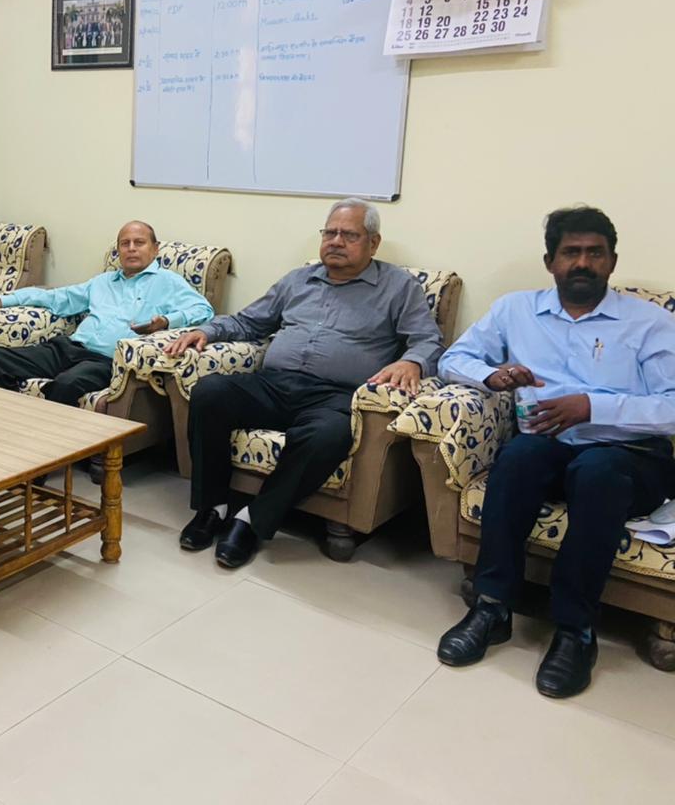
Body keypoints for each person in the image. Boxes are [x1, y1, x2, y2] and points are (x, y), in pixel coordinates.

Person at [434, 207, 675, 699]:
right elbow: (454, 358)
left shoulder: (650, 323)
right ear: (550, 262)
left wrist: (592, 406)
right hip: (550, 445)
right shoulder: (515, 310)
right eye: (571, 253)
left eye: (595, 253)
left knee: (597, 472)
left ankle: (575, 630)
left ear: (611, 261)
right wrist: (493, 376)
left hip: (630, 456)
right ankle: (492, 606)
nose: (582, 263)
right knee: (517, 458)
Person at [165, 199, 442, 568]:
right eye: (330, 233)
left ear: (373, 243)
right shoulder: (298, 279)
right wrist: (207, 331)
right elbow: (250, 321)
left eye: (349, 235)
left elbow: (428, 340)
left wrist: (412, 361)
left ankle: (252, 519)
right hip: (274, 384)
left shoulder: (398, 287)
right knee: (209, 393)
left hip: (335, 396)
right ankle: (212, 507)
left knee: (327, 435)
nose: (336, 241)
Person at [0, 222, 213, 407]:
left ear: (155, 249)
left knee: (66, 384)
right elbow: (56, 297)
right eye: (125, 243)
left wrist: (166, 321)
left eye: (139, 243)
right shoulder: (102, 282)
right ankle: (4, 426)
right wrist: (3, 300)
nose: (131, 248)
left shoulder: (168, 281)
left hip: (106, 361)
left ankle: (46, 447)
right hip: (68, 348)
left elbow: (204, 310)